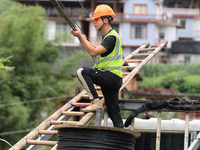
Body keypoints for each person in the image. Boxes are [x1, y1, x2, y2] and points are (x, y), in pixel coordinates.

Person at [70, 4, 123, 128]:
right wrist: (82, 37)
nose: (94, 22)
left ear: (105, 19)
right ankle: (122, 139)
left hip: (110, 77)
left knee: (82, 72)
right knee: (113, 112)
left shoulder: (111, 37)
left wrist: (81, 38)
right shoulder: (108, 37)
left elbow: (93, 52)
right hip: (113, 79)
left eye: (96, 19)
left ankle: (95, 100)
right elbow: (95, 48)